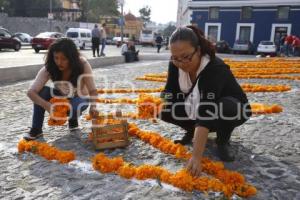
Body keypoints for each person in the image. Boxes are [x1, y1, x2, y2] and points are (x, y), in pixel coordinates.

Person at [159, 26, 252, 176]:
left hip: (232, 108)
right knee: (163, 110)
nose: (181, 63)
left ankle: (222, 140)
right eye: (176, 58)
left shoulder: (214, 68)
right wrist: (162, 101)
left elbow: (206, 111)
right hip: (199, 106)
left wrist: (196, 157)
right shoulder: (175, 63)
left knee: (224, 107)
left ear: (199, 50)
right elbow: (169, 90)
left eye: (186, 57)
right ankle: (191, 130)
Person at [24, 38, 99, 140]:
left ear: (72, 58)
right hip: (61, 98)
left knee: (75, 105)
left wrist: (93, 107)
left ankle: (73, 119)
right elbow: (31, 92)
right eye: (56, 58)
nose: (59, 62)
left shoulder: (83, 65)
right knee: (41, 92)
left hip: (80, 99)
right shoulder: (49, 68)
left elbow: (93, 90)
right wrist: (46, 105)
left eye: (64, 59)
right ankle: (36, 129)